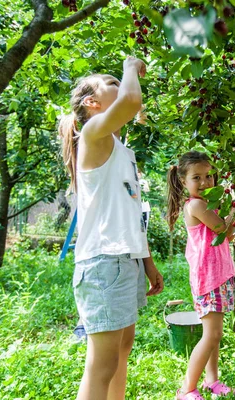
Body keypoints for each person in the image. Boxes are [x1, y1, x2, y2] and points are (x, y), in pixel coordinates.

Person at [58, 56, 164, 400]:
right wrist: (130, 66)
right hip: (104, 263)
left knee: (121, 354)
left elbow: (130, 214)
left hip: (125, 261)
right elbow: (132, 101)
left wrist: (146, 263)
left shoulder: (122, 151)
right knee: (101, 365)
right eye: (112, 83)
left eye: (119, 79)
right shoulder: (92, 134)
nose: (121, 83)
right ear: (92, 103)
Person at [166, 151, 235, 400]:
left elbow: (227, 235)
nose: (205, 182)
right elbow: (222, 227)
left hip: (218, 275)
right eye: (196, 177)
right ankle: (186, 389)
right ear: (183, 182)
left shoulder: (209, 204)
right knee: (213, 334)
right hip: (208, 277)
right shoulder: (197, 205)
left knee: (214, 334)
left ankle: (212, 381)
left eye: (209, 176)